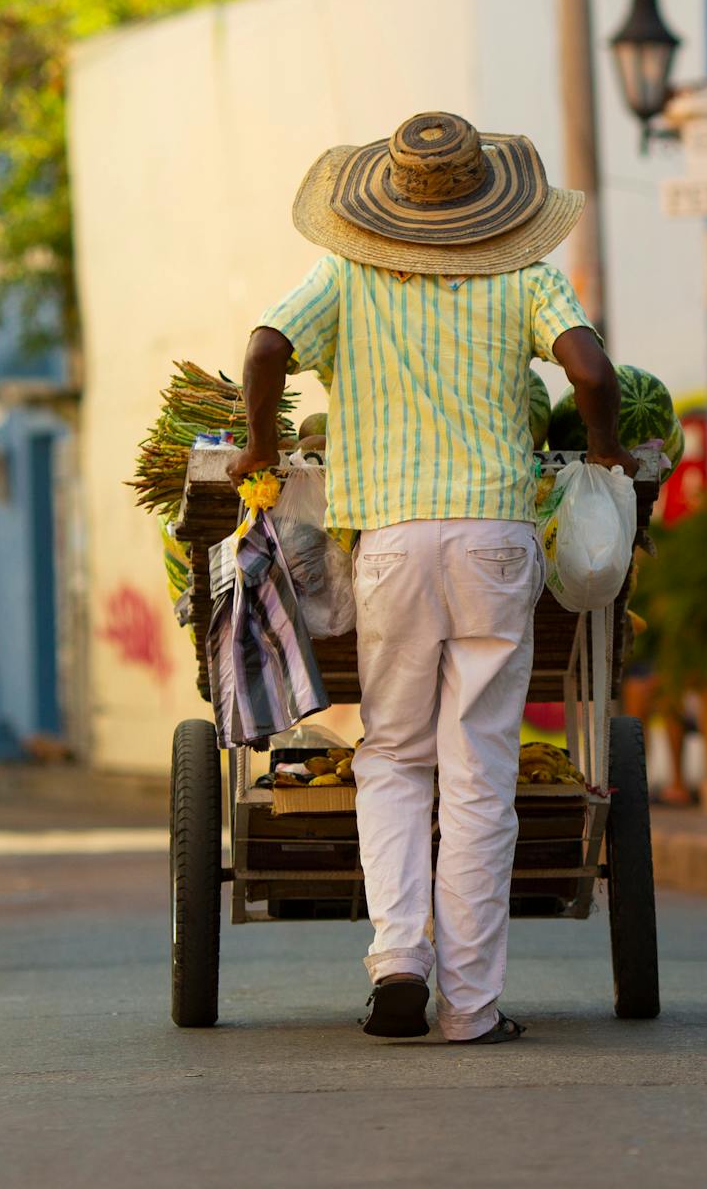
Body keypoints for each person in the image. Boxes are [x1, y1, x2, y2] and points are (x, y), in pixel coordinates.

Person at [225, 111, 628, 1045]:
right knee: (479, 771)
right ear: (492, 201)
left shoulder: (346, 274)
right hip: (495, 538)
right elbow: (594, 375)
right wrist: (602, 461)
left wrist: (257, 444)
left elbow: (262, 350)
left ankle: (399, 957)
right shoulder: (524, 274)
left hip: (395, 545)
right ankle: (471, 1010)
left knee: (395, 757)